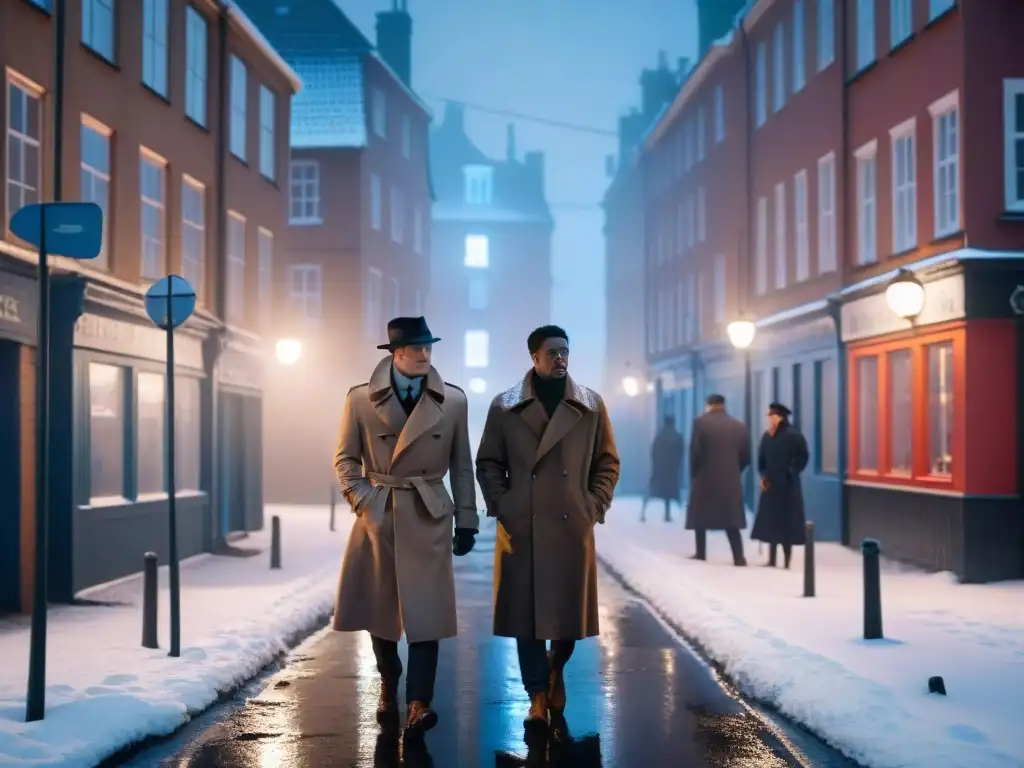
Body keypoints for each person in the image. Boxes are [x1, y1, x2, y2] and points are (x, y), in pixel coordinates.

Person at [332, 316, 479, 739]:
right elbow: (345, 460)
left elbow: (462, 466)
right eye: (416, 348)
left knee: (427, 614)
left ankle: (419, 703)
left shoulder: (453, 401)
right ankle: (388, 678)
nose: (424, 355)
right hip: (380, 515)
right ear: (396, 353)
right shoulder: (360, 399)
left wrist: (466, 520)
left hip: (429, 514)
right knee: (381, 612)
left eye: (428, 347)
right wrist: (365, 501)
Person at [476, 325, 620, 729]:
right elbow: (488, 461)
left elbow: (607, 462)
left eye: (565, 351)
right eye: (552, 352)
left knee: (567, 617)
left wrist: (591, 504)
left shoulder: (591, 404)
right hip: (523, 527)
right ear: (534, 357)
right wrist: (506, 506)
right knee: (526, 618)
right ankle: (536, 695)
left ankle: (556, 668)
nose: (561, 358)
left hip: (571, 524)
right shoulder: (505, 405)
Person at [685, 393, 750, 566]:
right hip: (731, 479)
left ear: (708, 405)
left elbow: (695, 453)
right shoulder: (739, 426)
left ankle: (701, 552)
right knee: (731, 519)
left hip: (705, 477)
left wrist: (694, 475)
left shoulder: (700, 423)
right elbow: (746, 456)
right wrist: (735, 470)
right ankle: (738, 556)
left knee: (701, 516)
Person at [751, 402, 809, 569]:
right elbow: (761, 459)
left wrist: (791, 472)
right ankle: (772, 558)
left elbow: (803, 456)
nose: (770, 419)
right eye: (769, 416)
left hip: (787, 485)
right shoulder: (767, 436)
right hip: (770, 485)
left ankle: (787, 559)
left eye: (772, 416)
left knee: (786, 522)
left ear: (780, 417)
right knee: (771, 522)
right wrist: (763, 475)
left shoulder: (794, 435)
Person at [640, 415, 684, 523]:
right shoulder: (677, 436)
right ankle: (668, 515)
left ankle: (643, 513)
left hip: (659, 468)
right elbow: (681, 453)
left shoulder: (659, 436)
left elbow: (653, 452)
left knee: (651, 490)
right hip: (672, 470)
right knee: (669, 494)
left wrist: (655, 465)